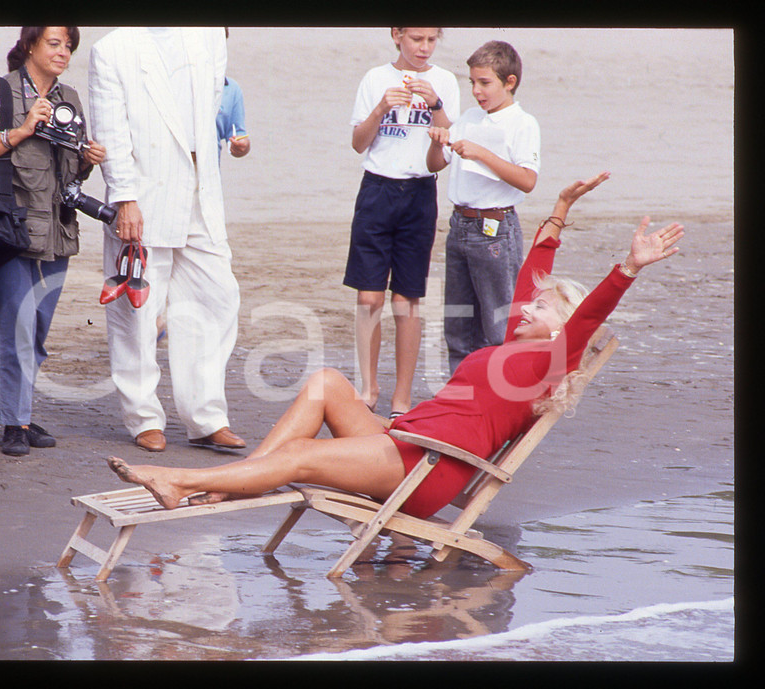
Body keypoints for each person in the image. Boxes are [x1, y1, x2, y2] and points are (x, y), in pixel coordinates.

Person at [106, 174, 684, 522]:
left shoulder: (546, 364)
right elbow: (534, 269)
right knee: (328, 382)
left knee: (302, 457)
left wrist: (628, 266)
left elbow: (588, 318)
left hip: (428, 468)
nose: (527, 305)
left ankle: (185, 481)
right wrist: (559, 210)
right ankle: (231, 483)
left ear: (562, 329)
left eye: (543, 307)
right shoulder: (514, 351)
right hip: (403, 444)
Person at [89, 27, 244, 453]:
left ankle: (206, 416)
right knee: (138, 310)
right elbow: (110, 129)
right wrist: (124, 197)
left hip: (200, 187)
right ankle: (143, 417)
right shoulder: (112, 49)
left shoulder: (209, 34)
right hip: (145, 190)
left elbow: (210, 110)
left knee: (217, 296)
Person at [0, 26, 106, 456]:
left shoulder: (70, 99)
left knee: (36, 332)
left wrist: (86, 160)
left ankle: (18, 413)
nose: (64, 52)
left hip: (55, 231)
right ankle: (14, 424)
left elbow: (67, 175)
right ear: (29, 45)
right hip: (4, 229)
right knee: (16, 328)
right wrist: (21, 130)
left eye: (69, 46)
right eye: (55, 43)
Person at [345, 28, 461, 419]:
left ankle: (402, 397)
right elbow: (359, 143)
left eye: (431, 40)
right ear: (396, 36)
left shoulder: (444, 80)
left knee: (407, 300)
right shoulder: (375, 78)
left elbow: (448, 149)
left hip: (419, 192)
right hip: (377, 190)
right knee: (368, 297)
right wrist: (380, 109)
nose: (423, 47)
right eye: (415, 39)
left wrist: (437, 104)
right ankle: (367, 387)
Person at [425, 40, 541, 375]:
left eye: (484, 83)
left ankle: (501, 404)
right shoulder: (468, 119)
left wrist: (481, 154)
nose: (476, 91)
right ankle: (458, 404)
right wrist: (437, 143)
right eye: (472, 82)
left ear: (510, 82)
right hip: (460, 226)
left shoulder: (522, 123)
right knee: (458, 327)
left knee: (498, 327)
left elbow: (527, 180)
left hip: (495, 230)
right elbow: (435, 164)